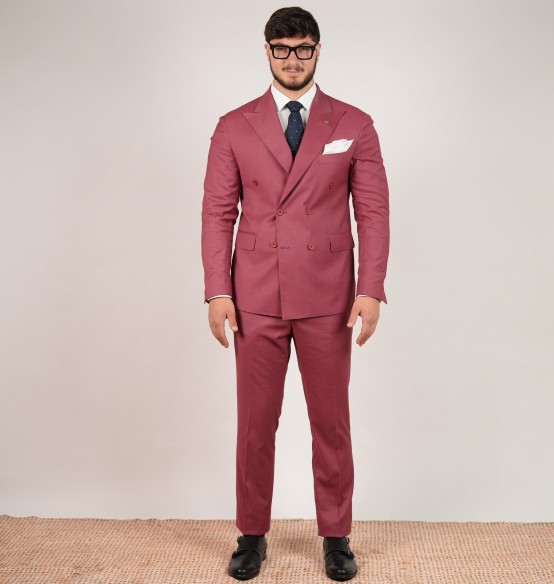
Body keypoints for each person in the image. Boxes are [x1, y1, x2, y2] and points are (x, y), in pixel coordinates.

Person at [201, 6, 390, 581]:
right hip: (254, 294)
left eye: (303, 48)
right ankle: (251, 535)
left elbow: (372, 213)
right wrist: (217, 290)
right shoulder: (234, 125)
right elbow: (217, 213)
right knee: (256, 425)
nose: (292, 60)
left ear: (318, 50)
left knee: (330, 424)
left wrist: (371, 288)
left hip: (329, 296)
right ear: (267, 51)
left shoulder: (354, 123)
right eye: (281, 49)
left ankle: (336, 537)